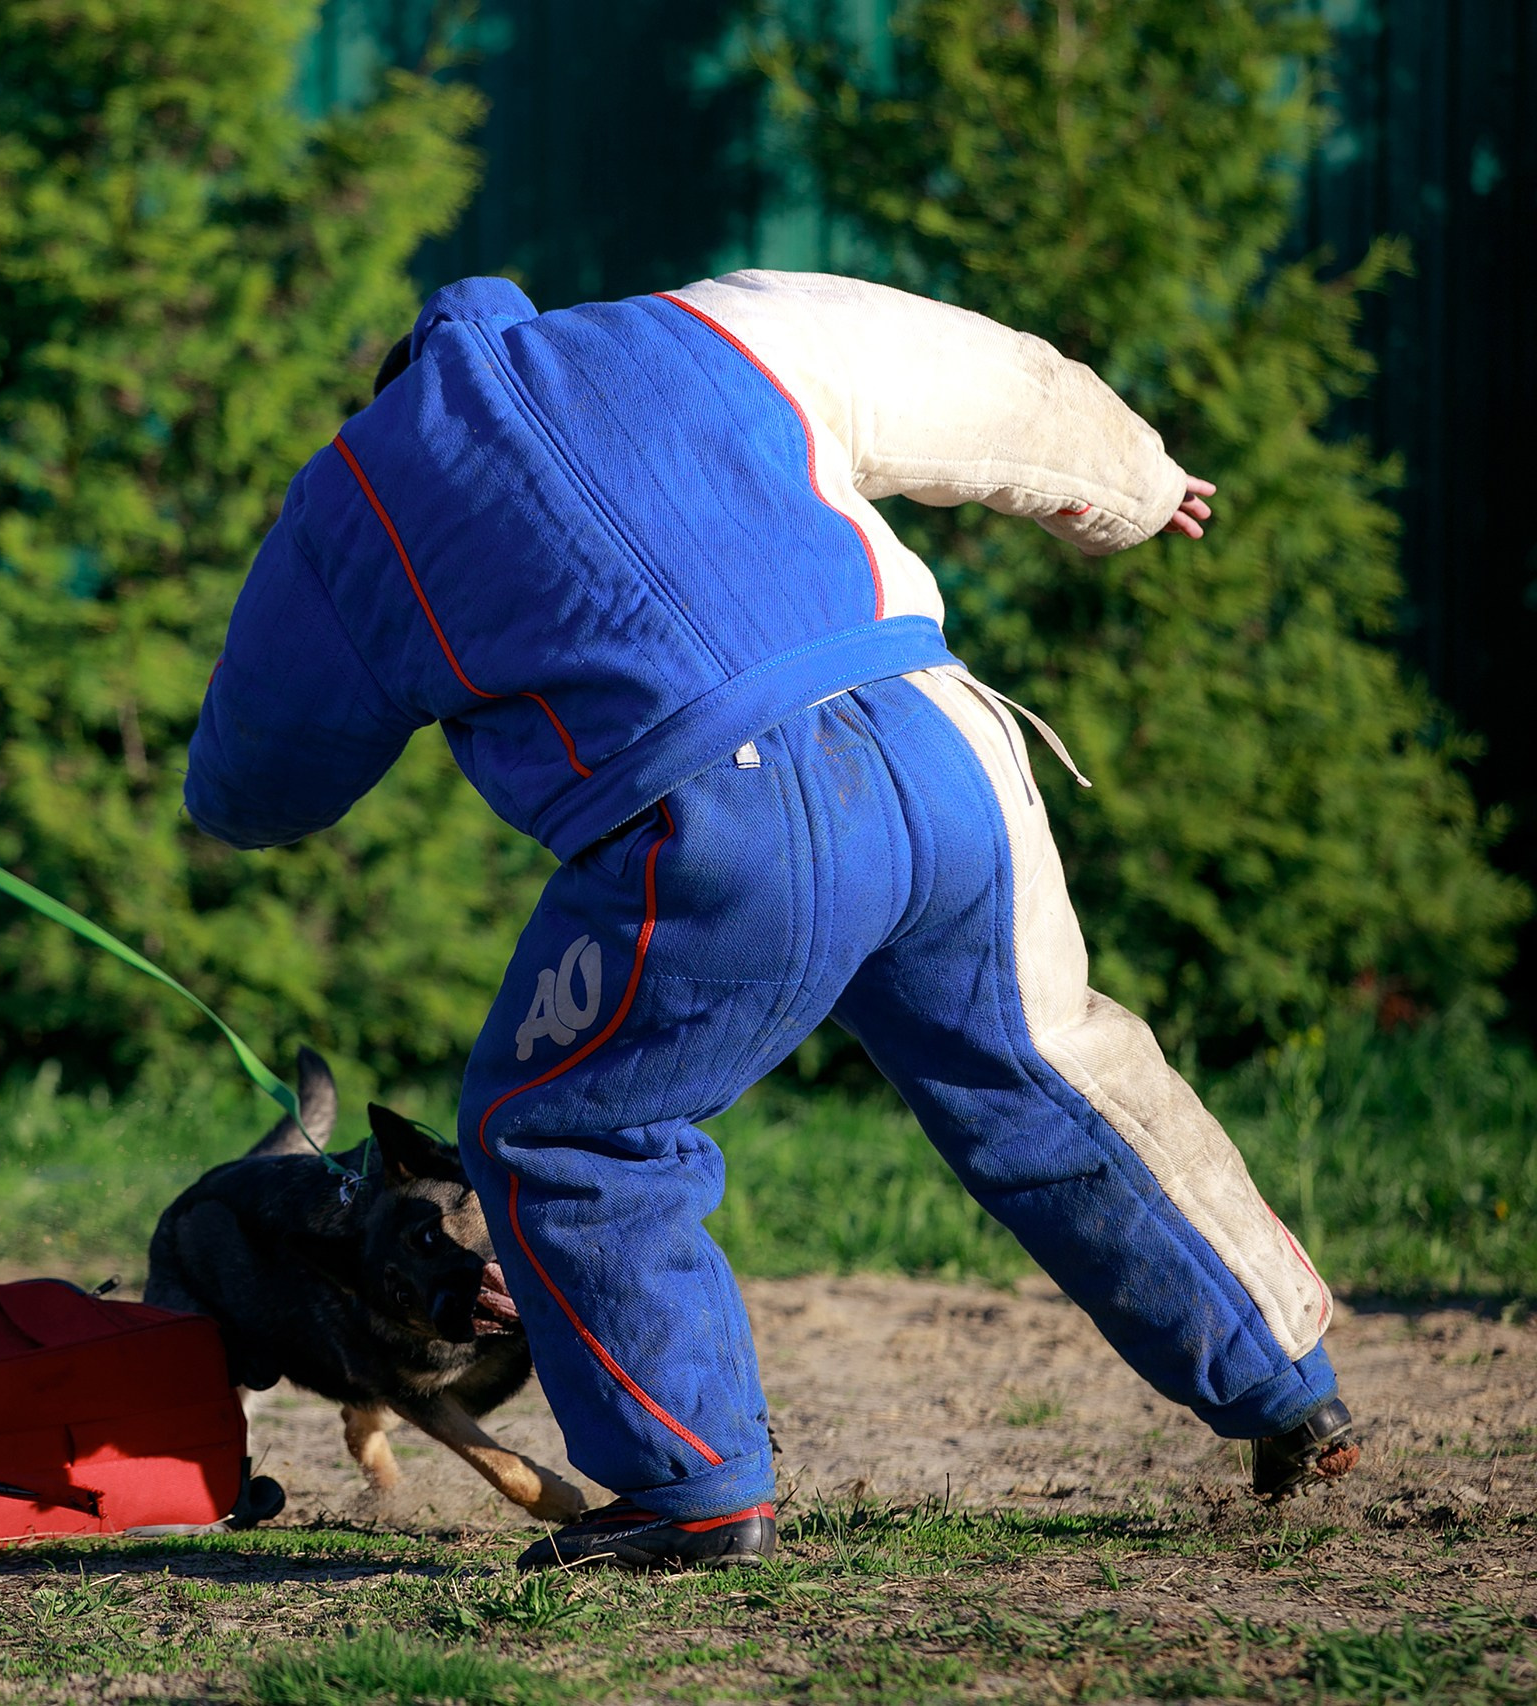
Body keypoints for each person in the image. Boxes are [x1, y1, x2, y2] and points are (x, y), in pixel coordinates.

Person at [183, 271, 1360, 1571]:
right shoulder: (693, 325)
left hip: (717, 811)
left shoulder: (356, 492)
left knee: (559, 1128)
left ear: (389, 391)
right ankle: (1283, 1381)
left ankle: (688, 1486)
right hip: (947, 745)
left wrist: (263, 767)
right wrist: (1137, 486)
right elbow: (977, 377)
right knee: (1044, 1067)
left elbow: (255, 784)